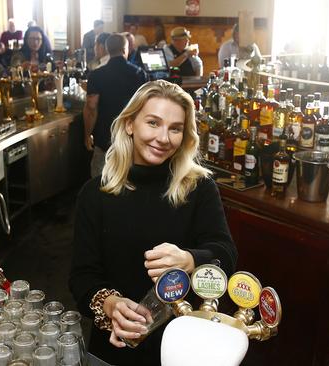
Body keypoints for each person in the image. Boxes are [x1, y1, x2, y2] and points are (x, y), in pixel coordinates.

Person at [69, 80, 237, 366]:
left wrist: (190, 259)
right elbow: (82, 277)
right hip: (117, 345)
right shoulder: (95, 194)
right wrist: (112, 305)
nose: (163, 138)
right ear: (130, 124)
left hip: (183, 345)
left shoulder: (199, 188)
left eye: (175, 128)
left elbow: (226, 254)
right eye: (153, 123)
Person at [83, 33, 146, 177]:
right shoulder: (139, 74)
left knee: (100, 182)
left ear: (107, 49)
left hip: (105, 139)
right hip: (130, 140)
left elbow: (91, 107)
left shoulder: (97, 75)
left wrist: (87, 135)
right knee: (127, 183)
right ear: (126, 49)